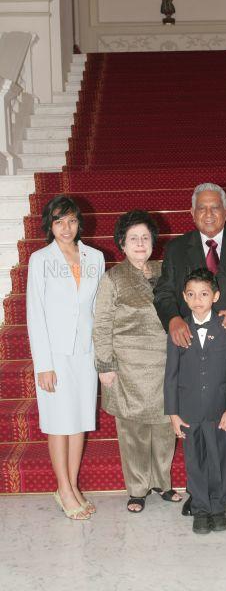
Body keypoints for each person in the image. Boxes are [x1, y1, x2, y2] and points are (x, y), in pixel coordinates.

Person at [154, 182, 226, 514]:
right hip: (192, 351)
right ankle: (200, 491)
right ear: (192, 214)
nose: (209, 213)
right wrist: (173, 320)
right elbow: (164, 293)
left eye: (215, 207)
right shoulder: (177, 249)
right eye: (202, 208)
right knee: (197, 427)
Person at [93, 210, 181, 513]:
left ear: (153, 242)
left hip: (165, 361)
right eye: (134, 238)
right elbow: (101, 324)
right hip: (128, 366)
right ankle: (137, 489)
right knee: (133, 431)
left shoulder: (164, 270)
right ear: (122, 243)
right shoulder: (113, 278)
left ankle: (163, 483)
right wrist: (105, 365)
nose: (140, 244)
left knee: (165, 427)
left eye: (145, 238)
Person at [26, 195, 105, 520]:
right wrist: (43, 364)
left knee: (79, 423)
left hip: (85, 354)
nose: (66, 228)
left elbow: (99, 310)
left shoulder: (95, 257)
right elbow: (35, 313)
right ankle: (64, 487)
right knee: (58, 424)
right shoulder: (40, 259)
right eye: (59, 221)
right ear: (50, 224)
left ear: (79, 223)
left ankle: (69, 487)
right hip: (55, 356)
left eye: (71, 221)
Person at [164, 268, 226, 534]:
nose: (198, 299)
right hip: (188, 410)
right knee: (194, 462)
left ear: (215, 296)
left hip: (218, 409)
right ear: (184, 298)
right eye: (192, 294)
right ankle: (200, 508)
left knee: (219, 459)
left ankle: (218, 508)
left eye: (204, 294)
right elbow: (171, 375)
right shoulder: (178, 330)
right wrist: (173, 413)